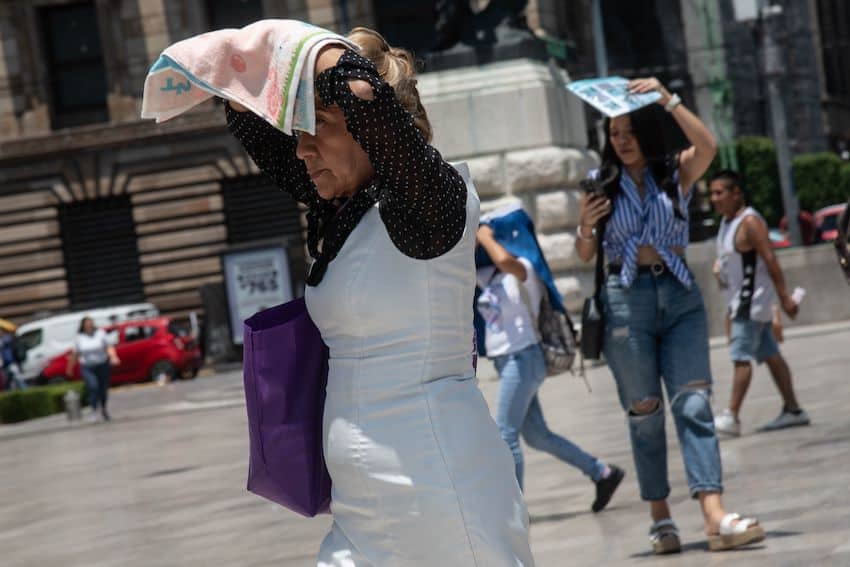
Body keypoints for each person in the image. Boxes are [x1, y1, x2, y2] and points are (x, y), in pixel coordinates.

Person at [226, 27, 534, 566]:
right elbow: (250, 122)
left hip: (438, 489)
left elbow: (360, 94)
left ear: (374, 132)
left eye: (319, 126)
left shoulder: (433, 206)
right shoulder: (347, 210)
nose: (301, 148)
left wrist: (314, 51)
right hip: (363, 505)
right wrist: (235, 67)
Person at [575, 78, 764, 554]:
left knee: (696, 406)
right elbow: (583, 254)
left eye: (628, 131)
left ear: (647, 131)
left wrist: (666, 98)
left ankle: (713, 514)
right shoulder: (601, 184)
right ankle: (661, 518)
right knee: (644, 413)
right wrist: (585, 224)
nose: (620, 140)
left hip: (679, 296)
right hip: (625, 300)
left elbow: (708, 144)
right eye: (613, 133)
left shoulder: (672, 173)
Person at [475, 217, 624, 513]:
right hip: (506, 361)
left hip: (524, 357)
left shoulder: (523, 268)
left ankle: (513, 512)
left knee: (505, 435)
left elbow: (504, 260)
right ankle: (602, 473)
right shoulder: (484, 274)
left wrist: (486, 235)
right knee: (537, 435)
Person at [709, 170, 810, 436]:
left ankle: (732, 416)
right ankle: (793, 410)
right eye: (712, 193)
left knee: (740, 358)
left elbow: (770, 259)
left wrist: (785, 297)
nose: (714, 198)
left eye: (720, 192)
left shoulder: (750, 222)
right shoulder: (726, 223)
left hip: (750, 305)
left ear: (736, 193)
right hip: (741, 303)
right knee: (772, 356)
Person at [67, 317, 120, 422]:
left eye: (90, 323)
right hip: (88, 367)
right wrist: (70, 368)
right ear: (83, 325)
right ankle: (94, 409)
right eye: (87, 323)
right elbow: (75, 353)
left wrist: (113, 356)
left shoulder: (100, 333)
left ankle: (104, 409)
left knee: (103, 389)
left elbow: (108, 346)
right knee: (93, 386)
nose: (89, 325)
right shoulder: (80, 337)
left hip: (102, 364)